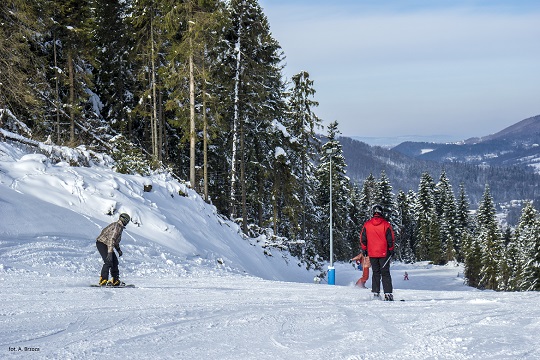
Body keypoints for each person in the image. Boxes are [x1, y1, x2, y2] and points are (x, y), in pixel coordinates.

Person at [360, 204, 395, 301]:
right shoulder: (386, 224)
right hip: (384, 253)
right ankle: (388, 294)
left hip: (372, 253)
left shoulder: (367, 225)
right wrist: (391, 249)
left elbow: (363, 238)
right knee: (385, 273)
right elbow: (390, 239)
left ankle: (376, 293)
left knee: (375, 272)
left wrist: (364, 249)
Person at [96, 213, 130, 286]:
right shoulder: (117, 226)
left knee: (115, 262)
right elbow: (111, 239)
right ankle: (103, 280)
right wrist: (110, 253)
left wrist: (118, 250)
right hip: (102, 243)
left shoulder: (119, 227)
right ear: (124, 220)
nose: (127, 223)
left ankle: (115, 280)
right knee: (108, 261)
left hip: (107, 244)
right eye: (127, 221)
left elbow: (115, 241)